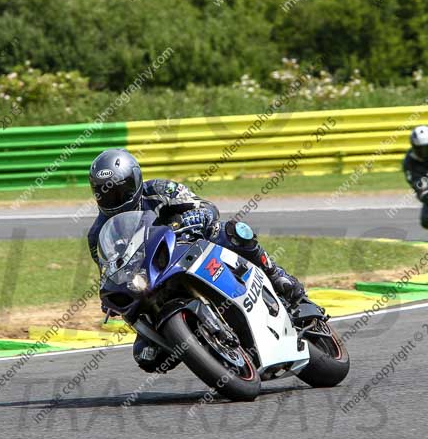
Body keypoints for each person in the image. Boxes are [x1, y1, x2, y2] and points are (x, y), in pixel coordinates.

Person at [86, 148, 306, 373]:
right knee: (147, 356)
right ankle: (205, 350)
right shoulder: (98, 234)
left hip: (189, 248)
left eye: (120, 191)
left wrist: (194, 217)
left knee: (234, 231)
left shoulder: (159, 190)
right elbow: (108, 269)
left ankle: (276, 275)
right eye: (105, 193)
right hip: (151, 278)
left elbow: (206, 207)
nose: (113, 198)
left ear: (136, 180)